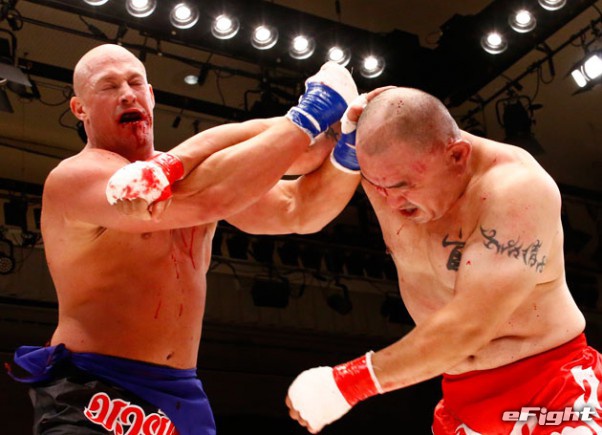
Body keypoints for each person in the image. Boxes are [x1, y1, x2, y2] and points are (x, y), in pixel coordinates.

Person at [7, 43, 361, 435]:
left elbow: (300, 209)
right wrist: (310, 116)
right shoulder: (75, 178)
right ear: (80, 108)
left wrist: (350, 147)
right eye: (108, 86)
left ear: (151, 96)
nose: (126, 94)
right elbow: (210, 198)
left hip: (181, 396)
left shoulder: (198, 172)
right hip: (95, 391)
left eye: (135, 83)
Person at [284, 87, 602, 434]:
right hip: (459, 403)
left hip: (552, 392)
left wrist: (348, 383)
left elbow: (469, 325)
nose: (391, 203)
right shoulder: (375, 159)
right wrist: (310, 116)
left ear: (457, 155)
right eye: (378, 186)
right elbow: (284, 191)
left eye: (403, 186)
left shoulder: (517, 190)